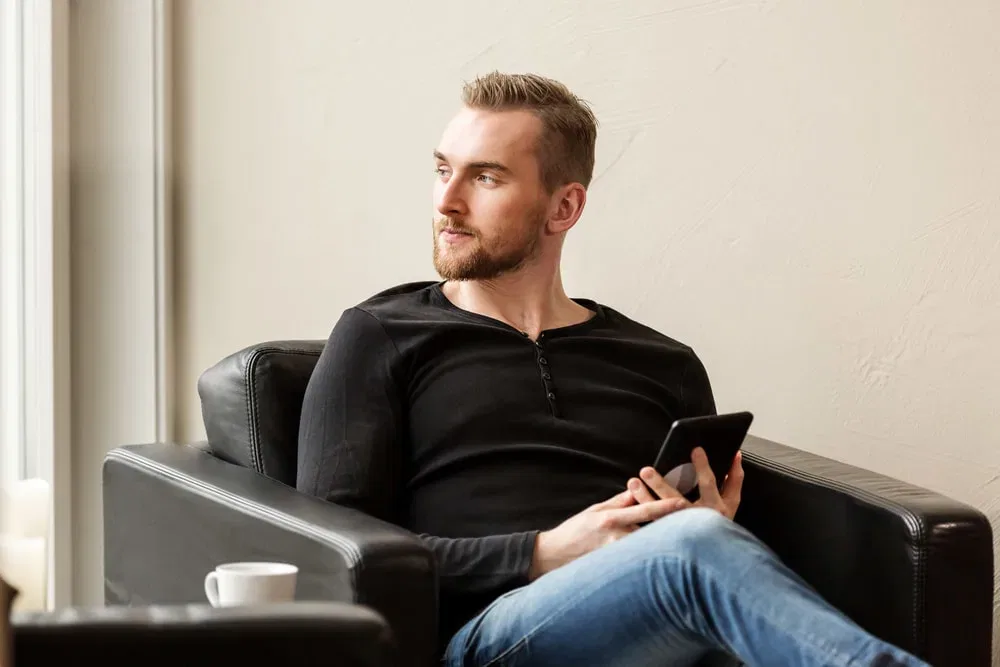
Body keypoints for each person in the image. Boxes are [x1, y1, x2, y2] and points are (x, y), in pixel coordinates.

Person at [296, 71, 928, 667]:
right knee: (692, 553)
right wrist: (543, 552)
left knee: (698, 551)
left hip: (658, 621)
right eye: (442, 170)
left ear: (563, 208)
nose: (448, 202)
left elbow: (691, 546)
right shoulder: (380, 336)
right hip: (486, 638)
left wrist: (706, 526)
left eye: (485, 178)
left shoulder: (664, 364)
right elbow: (327, 555)